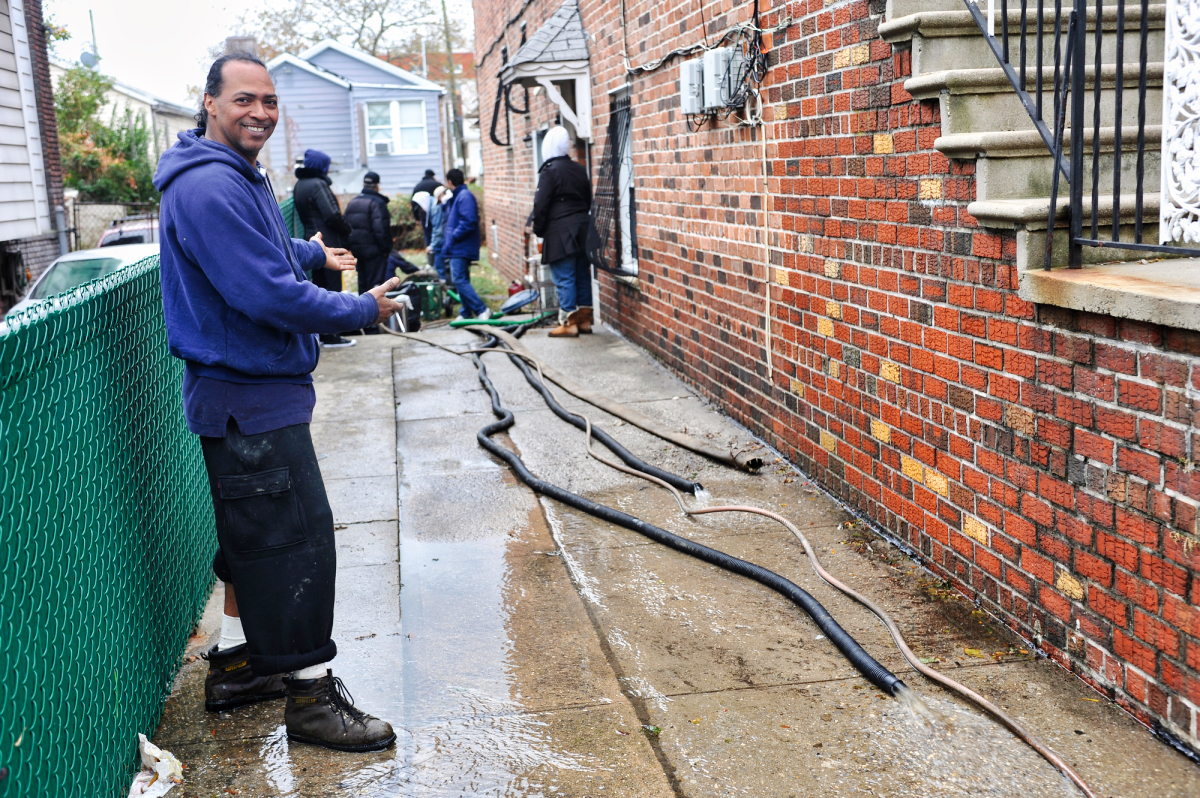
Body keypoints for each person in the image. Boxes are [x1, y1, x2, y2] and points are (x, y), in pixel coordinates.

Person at [154, 51, 401, 753]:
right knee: (295, 543)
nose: (259, 112)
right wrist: (357, 308)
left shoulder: (230, 175)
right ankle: (311, 701)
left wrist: (311, 253)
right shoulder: (209, 188)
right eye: (243, 100)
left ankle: (236, 670)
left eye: (268, 100)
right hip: (248, 398)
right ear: (209, 102)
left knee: (251, 545)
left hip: (241, 396)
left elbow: (261, 249)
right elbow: (261, 291)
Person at [532, 126, 593, 337]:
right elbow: (587, 199)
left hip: (561, 231)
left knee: (565, 277)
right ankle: (584, 320)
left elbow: (541, 205)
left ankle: (569, 324)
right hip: (583, 227)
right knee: (582, 274)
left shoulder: (550, 171)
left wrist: (538, 229)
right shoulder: (578, 168)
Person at [294, 149, 355, 348]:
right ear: (322, 167)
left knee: (318, 289)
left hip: (311, 242)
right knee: (333, 289)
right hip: (328, 244)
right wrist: (347, 231)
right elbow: (331, 215)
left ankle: (322, 333)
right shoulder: (319, 184)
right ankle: (332, 336)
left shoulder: (299, 185)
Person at [345, 171, 393, 334]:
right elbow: (382, 231)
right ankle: (374, 324)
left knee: (363, 286)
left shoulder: (353, 203)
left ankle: (363, 322)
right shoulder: (378, 203)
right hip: (375, 253)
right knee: (376, 287)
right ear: (377, 185)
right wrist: (386, 250)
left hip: (359, 252)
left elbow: (346, 228)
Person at [442, 168, 490, 320]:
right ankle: (466, 312)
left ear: (450, 182)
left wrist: (454, 237)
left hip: (461, 246)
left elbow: (469, 221)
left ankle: (482, 309)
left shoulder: (464, 196)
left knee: (459, 279)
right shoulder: (459, 196)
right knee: (463, 279)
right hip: (459, 246)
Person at [409, 169, 441, 242]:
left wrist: (417, 218)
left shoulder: (418, 186)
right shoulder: (437, 184)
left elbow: (413, 202)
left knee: (427, 233)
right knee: (437, 231)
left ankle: (429, 248)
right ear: (433, 176)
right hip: (437, 213)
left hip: (423, 214)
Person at [427, 185, 449, 283]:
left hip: (443, 240)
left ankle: (443, 282)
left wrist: (432, 245)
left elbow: (438, 229)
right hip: (449, 238)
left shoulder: (437, 208)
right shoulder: (449, 204)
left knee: (440, 264)